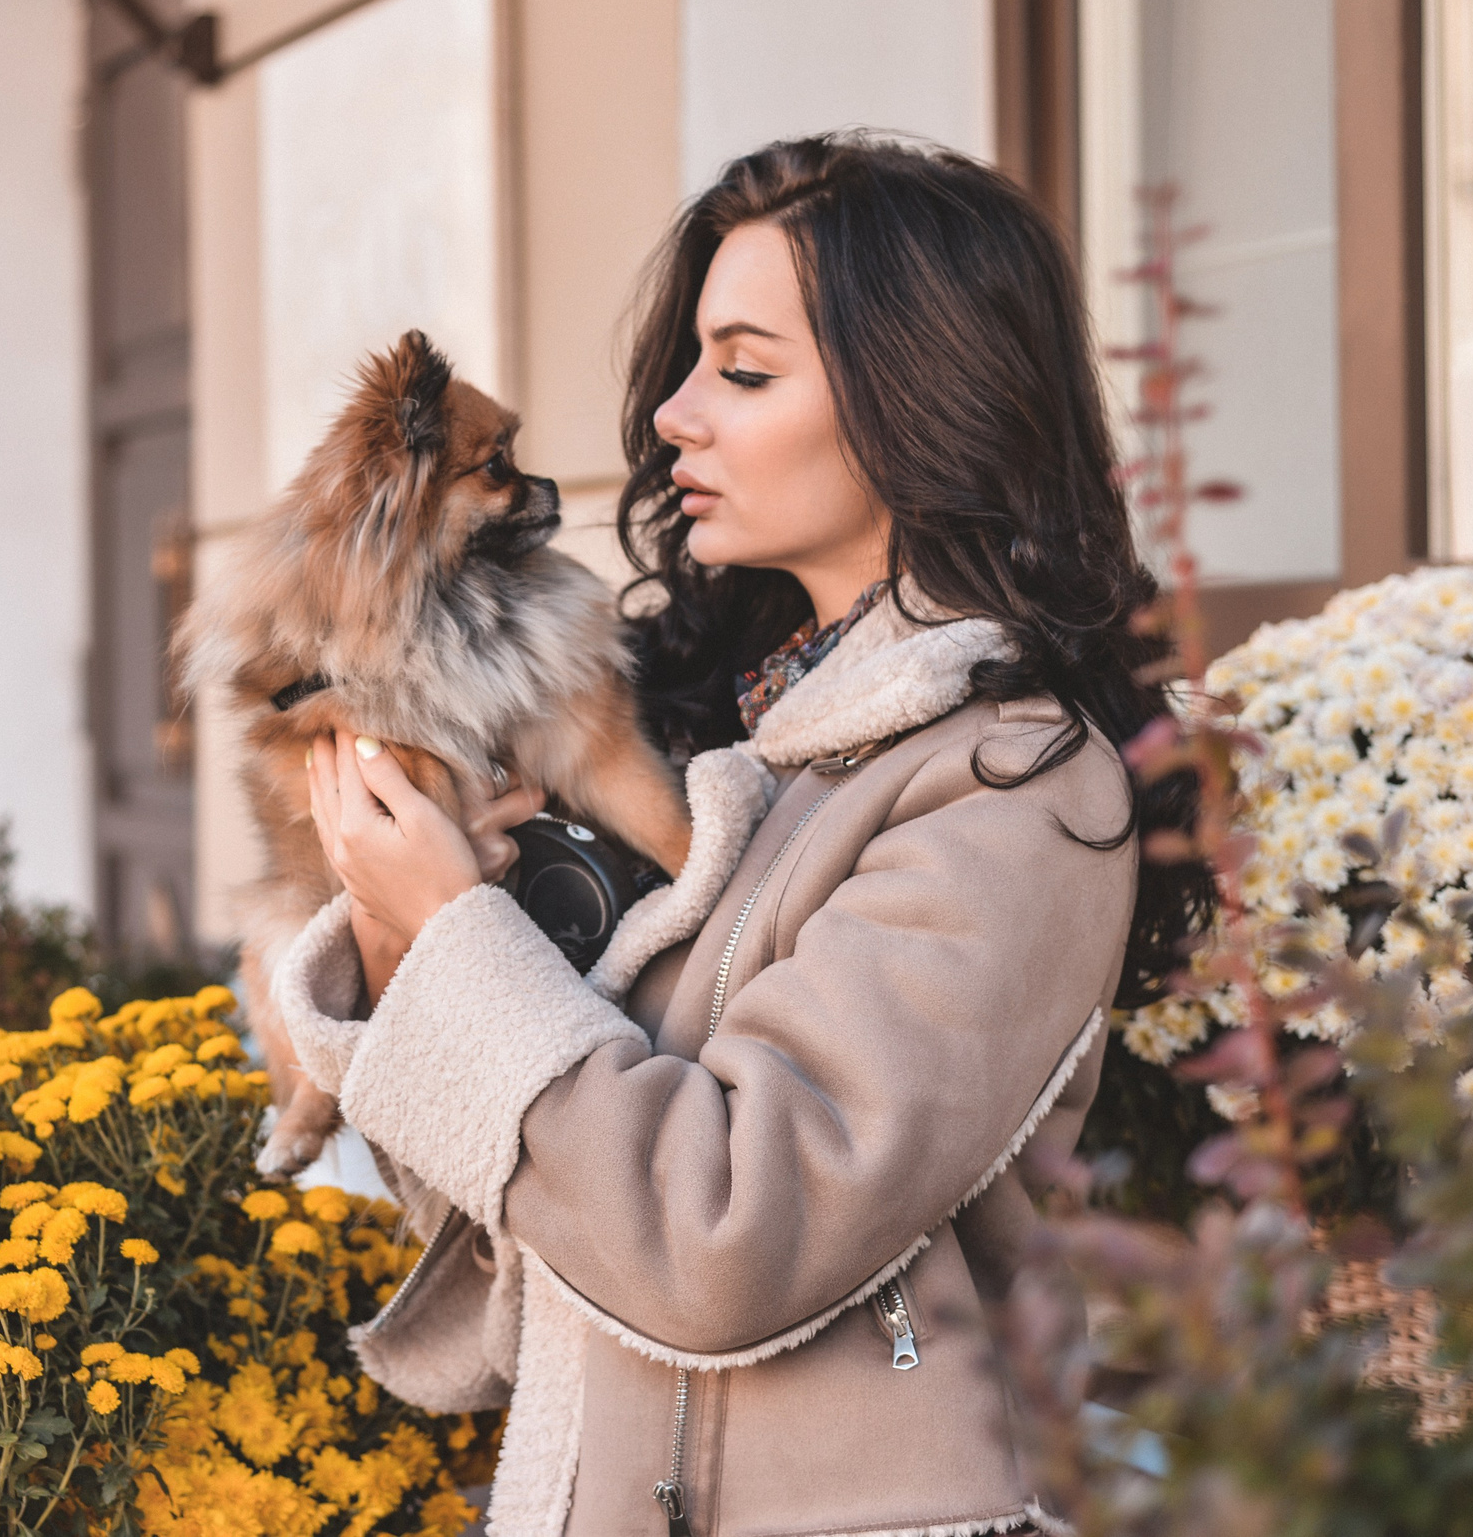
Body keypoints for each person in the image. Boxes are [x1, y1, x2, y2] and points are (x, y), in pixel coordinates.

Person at [272, 132, 1205, 1537]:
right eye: (691, 364)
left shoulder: (1015, 788)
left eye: (746, 371)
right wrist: (410, 926)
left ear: (924, 402)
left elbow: (726, 1240)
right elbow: (524, 1210)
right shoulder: (723, 732)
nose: (671, 419)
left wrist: (456, 936)